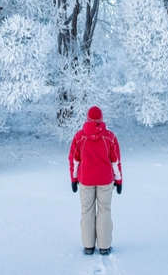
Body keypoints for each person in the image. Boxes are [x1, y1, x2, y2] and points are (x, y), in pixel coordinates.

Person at [69, 106, 123, 256]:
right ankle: (104, 246)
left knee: (87, 210)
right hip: (105, 180)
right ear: (101, 119)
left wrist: (74, 179)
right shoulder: (110, 137)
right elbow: (116, 161)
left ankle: (88, 246)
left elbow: (74, 160)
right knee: (104, 210)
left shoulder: (79, 137)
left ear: (87, 118)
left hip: (86, 180)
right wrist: (118, 180)